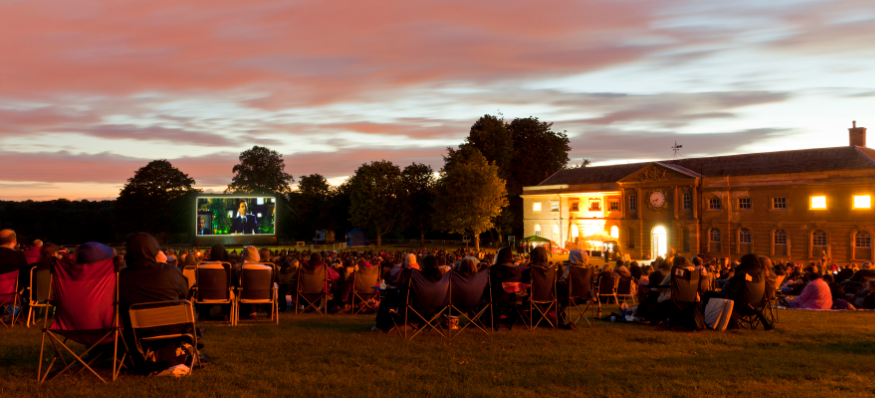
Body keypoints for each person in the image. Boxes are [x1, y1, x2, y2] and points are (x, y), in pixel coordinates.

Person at [118, 233, 194, 374]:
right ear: (154, 250)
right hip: (174, 330)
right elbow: (185, 296)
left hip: (137, 335)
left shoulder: (122, 278)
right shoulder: (171, 272)